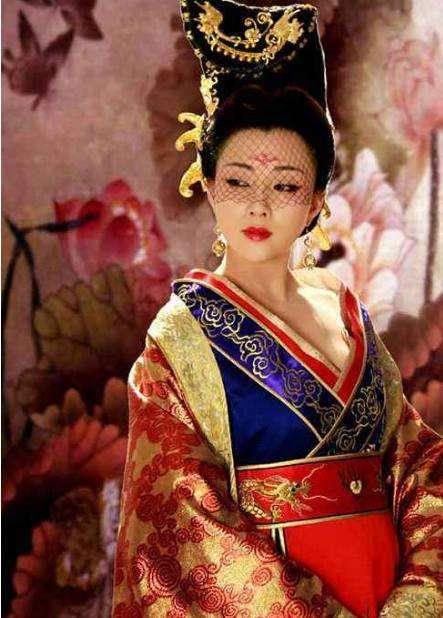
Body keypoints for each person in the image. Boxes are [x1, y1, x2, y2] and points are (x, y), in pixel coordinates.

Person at [111, 1, 442, 616]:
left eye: (285, 185)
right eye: (238, 181)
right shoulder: (180, 339)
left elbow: (415, 460)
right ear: (209, 185)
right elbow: (185, 522)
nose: (257, 206)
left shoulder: (344, 309)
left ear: (316, 200)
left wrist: (420, 593)